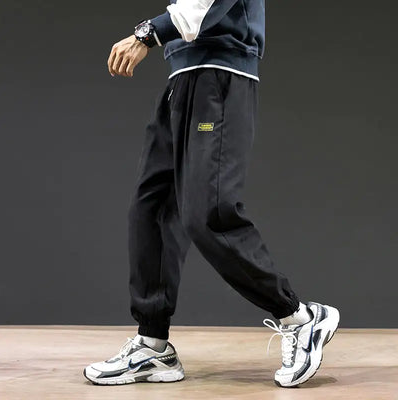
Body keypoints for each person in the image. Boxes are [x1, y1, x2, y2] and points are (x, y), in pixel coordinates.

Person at [83, 0, 340, 388]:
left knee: (208, 214)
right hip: (182, 76)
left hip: (221, 75)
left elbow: (205, 7)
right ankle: (153, 344)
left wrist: (147, 34)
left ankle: (300, 318)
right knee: (151, 209)